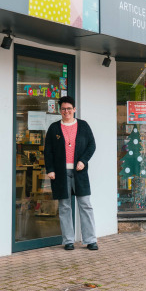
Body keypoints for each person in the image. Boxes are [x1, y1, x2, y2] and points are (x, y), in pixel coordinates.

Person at [44, 96, 98, 250]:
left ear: (74, 109)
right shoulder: (54, 128)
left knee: (85, 205)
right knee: (65, 206)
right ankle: (68, 241)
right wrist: (50, 169)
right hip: (60, 173)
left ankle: (90, 240)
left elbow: (91, 145)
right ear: (60, 111)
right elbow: (48, 151)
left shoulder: (83, 126)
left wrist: (83, 161)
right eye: (63, 109)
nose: (66, 111)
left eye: (69, 108)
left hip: (80, 171)